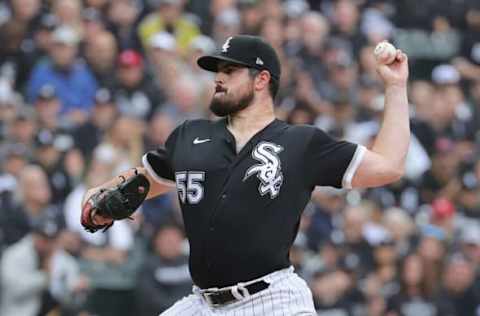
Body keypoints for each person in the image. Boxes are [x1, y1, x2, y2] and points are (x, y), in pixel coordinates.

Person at [82, 35, 410, 315]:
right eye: (217, 71)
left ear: (261, 79)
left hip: (272, 301)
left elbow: (388, 166)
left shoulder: (300, 142)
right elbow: (144, 180)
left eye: (230, 69)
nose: (218, 78)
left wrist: (395, 87)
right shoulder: (189, 136)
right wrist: (100, 191)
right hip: (203, 304)